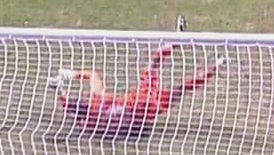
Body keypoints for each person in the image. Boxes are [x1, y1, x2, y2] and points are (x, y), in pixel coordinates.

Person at [46, 43, 226, 137]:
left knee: (178, 88)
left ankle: (215, 65)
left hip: (141, 110)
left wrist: (62, 94)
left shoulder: (91, 122)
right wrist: (65, 83)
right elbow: (90, 80)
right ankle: (183, 47)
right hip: (141, 104)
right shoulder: (97, 101)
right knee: (167, 78)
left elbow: (71, 108)